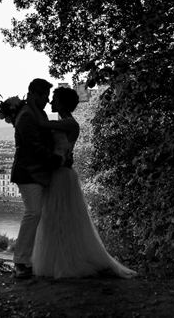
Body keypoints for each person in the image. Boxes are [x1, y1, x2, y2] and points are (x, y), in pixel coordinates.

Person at [31, 86, 137, 279]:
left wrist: (29, 104)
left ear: (62, 103)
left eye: (53, 99)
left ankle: (65, 261)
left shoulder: (70, 124)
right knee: (53, 217)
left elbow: (40, 124)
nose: (51, 103)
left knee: (61, 217)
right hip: (57, 172)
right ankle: (58, 260)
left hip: (62, 174)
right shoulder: (63, 123)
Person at [10, 78, 64, 279]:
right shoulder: (27, 116)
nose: (47, 101)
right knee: (33, 213)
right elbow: (33, 146)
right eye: (45, 97)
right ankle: (21, 261)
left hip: (35, 172)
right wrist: (56, 159)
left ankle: (29, 260)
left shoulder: (33, 113)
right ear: (35, 94)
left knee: (37, 214)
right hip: (29, 171)